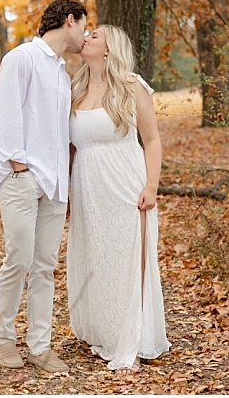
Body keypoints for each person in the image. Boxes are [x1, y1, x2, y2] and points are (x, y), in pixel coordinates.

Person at [0, 0, 86, 373]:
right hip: (24, 179)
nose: (85, 35)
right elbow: (8, 115)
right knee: (19, 259)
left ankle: (39, 346)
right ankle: (4, 339)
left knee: (45, 266)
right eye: (83, 26)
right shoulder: (22, 58)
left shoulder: (62, 71)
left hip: (56, 182)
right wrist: (20, 168)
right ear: (69, 20)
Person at [66, 24, 171, 374]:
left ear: (110, 49)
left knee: (128, 261)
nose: (86, 37)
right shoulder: (76, 86)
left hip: (126, 184)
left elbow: (152, 140)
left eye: (94, 35)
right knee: (99, 259)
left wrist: (151, 186)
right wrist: (65, 191)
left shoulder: (131, 85)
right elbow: (70, 147)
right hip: (87, 188)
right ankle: (108, 331)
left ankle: (135, 340)